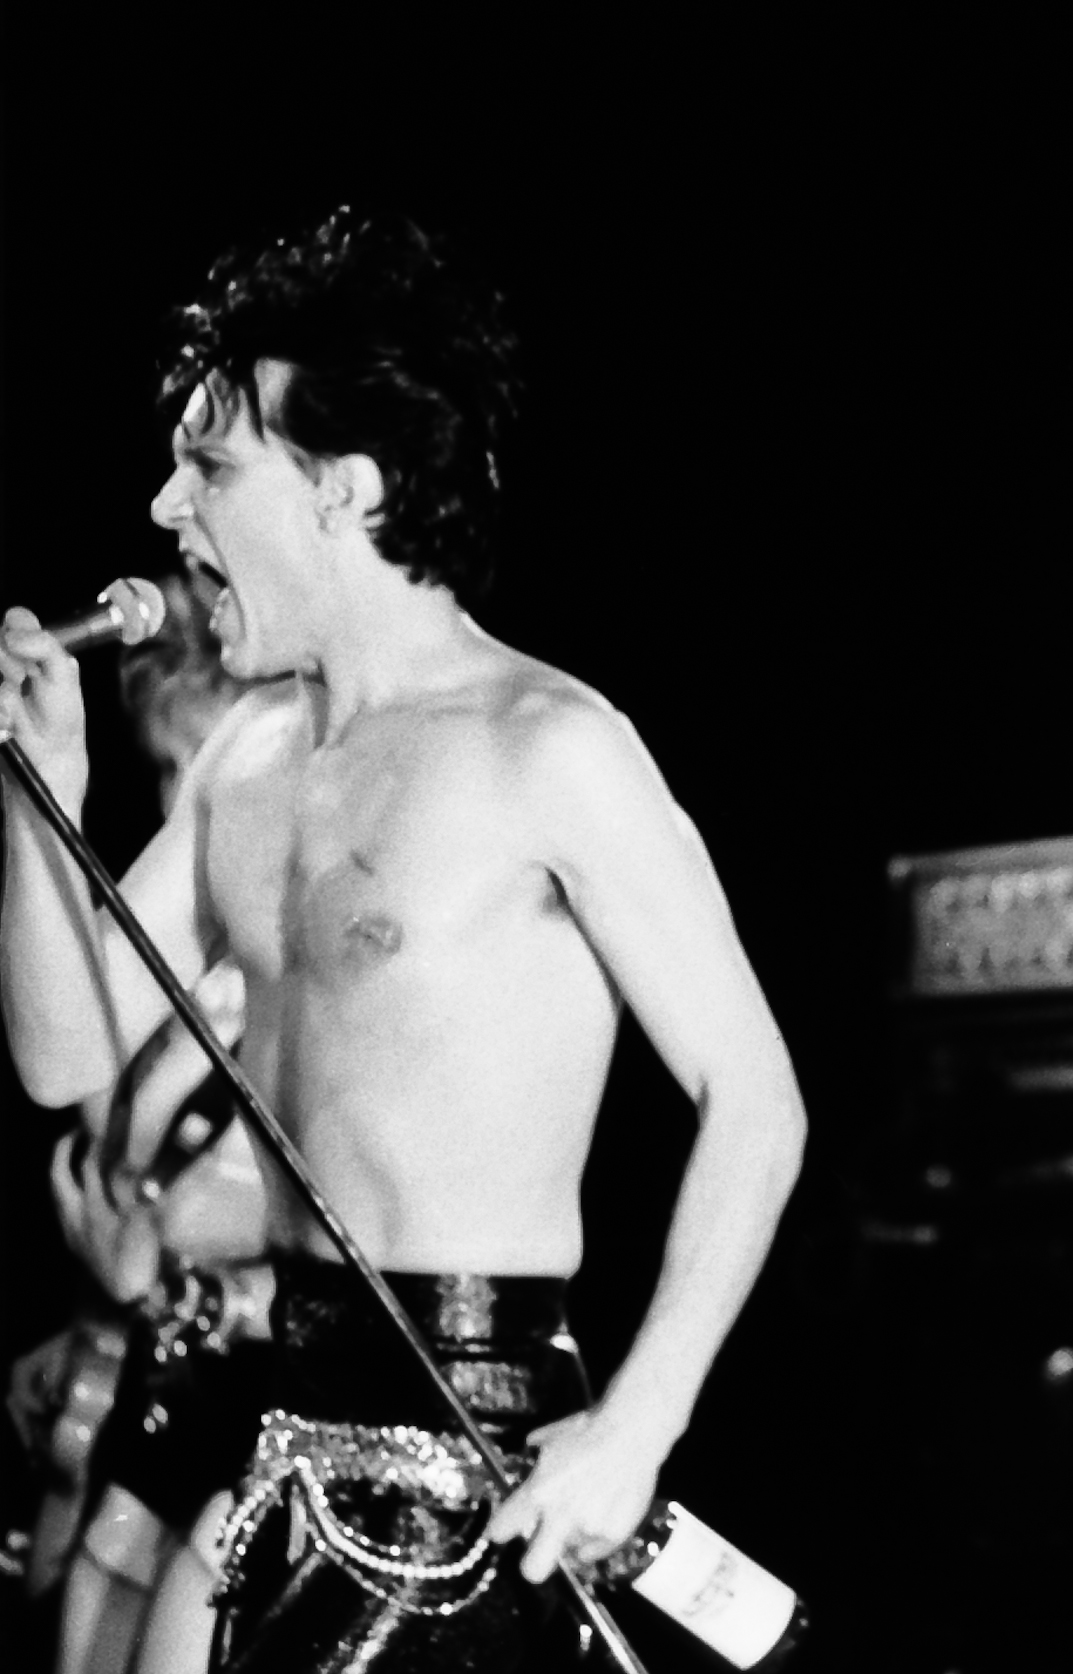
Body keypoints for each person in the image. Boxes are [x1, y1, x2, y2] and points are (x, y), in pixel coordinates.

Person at [0, 209, 808, 1670]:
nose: (168, 509)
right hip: (280, 1437)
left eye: (211, 468)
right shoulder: (246, 757)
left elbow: (755, 1098)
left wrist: (641, 1420)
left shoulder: (546, 746)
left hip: (480, 1466)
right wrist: (40, 795)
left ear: (343, 489)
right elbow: (65, 1055)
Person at [29, 571, 270, 1674]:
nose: (187, 803)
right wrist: (94, 1325)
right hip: (138, 1406)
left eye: (209, 763)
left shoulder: (302, 994)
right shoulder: (164, 970)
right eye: (171, 770)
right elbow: (75, 1091)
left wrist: (160, 1295)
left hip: (249, 1436)